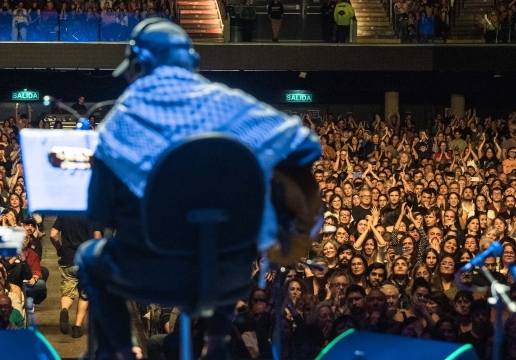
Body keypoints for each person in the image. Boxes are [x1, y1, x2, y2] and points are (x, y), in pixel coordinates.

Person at [77, 18, 321, 360]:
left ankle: (122, 351)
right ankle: (217, 341)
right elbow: (308, 146)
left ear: (140, 64)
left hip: (151, 277)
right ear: (191, 61)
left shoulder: (121, 121)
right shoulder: (230, 104)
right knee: (217, 230)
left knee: (88, 256)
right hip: (231, 276)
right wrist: (256, 165)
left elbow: (99, 212)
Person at [49, 215, 100, 337]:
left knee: (68, 291)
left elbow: (53, 235)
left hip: (68, 259)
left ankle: (64, 309)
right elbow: (97, 238)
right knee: (84, 294)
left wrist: (59, 248)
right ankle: (77, 327)